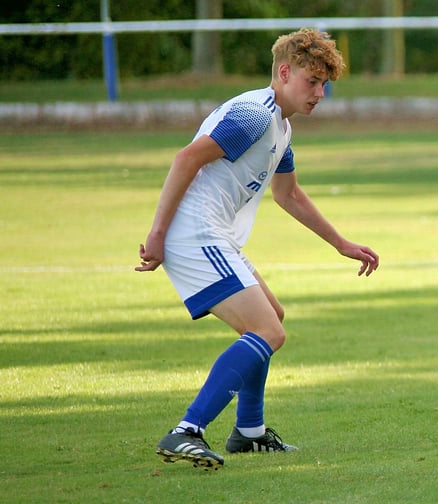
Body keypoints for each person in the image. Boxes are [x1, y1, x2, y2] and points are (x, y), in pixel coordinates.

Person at [135, 28, 380, 469]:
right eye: (312, 81)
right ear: (284, 72)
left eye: (325, 85)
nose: (320, 93)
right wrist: (158, 233)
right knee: (269, 332)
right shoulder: (255, 114)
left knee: (273, 318)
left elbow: (289, 195)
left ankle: (249, 432)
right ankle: (186, 430)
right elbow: (185, 158)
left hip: (214, 234)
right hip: (196, 234)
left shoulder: (280, 126)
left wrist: (341, 243)